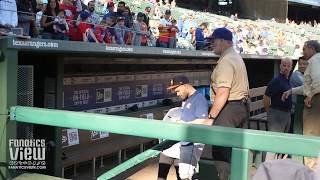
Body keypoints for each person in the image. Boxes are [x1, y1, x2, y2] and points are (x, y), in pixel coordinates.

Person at [208, 27, 250, 180]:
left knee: (222, 153)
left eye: (213, 40)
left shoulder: (226, 60)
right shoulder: (235, 56)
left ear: (223, 41)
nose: (211, 43)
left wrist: (211, 117)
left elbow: (223, 93)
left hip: (229, 110)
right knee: (237, 153)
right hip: (241, 108)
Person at [157, 75, 211, 180]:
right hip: (185, 144)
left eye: (178, 90)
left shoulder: (199, 99)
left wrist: (183, 123)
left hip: (192, 144)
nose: (177, 94)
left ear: (185, 85)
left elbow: (205, 121)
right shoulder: (187, 99)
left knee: (187, 176)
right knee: (184, 176)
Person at [282, 40, 320, 170]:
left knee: (310, 136)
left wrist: (310, 96)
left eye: (304, 49)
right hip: (316, 99)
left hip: (315, 102)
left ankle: (312, 171)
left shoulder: (315, 60)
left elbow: (318, 82)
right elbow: (306, 86)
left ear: (311, 48)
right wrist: (291, 91)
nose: (303, 52)